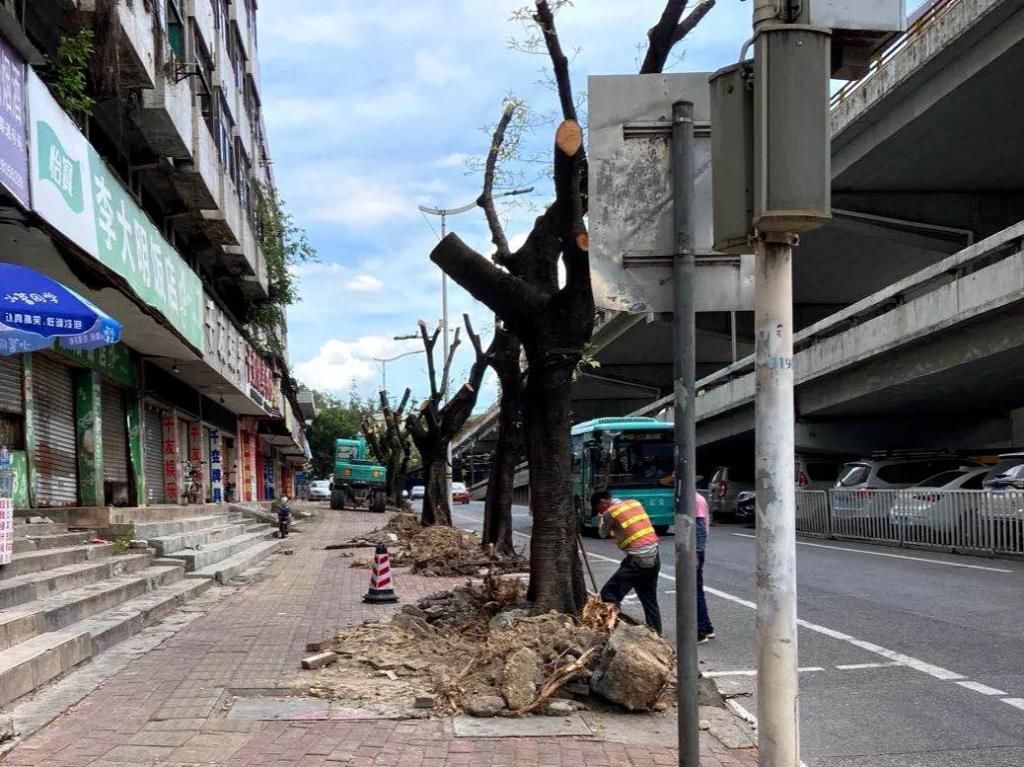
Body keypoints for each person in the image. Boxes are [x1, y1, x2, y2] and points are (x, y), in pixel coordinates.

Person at [595, 490, 662, 634]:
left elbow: (602, 533)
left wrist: (601, 517)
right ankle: (656, 634)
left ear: (602, 502)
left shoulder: (610, 513)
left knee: (609, 593)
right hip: (654, 556)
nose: (598, 511)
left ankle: (613, 631)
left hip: (637, 559)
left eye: (597, 508)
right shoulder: (634, 503)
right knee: (648, 598)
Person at [696, 490, 715, 643]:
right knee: (696, 590)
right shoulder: (693, 499)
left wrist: (696, 552)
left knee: (693, 591)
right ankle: (706, 627)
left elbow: (700, 529)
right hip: (694, 552)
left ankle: (701, 630)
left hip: (694, 552)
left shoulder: (694, 500)